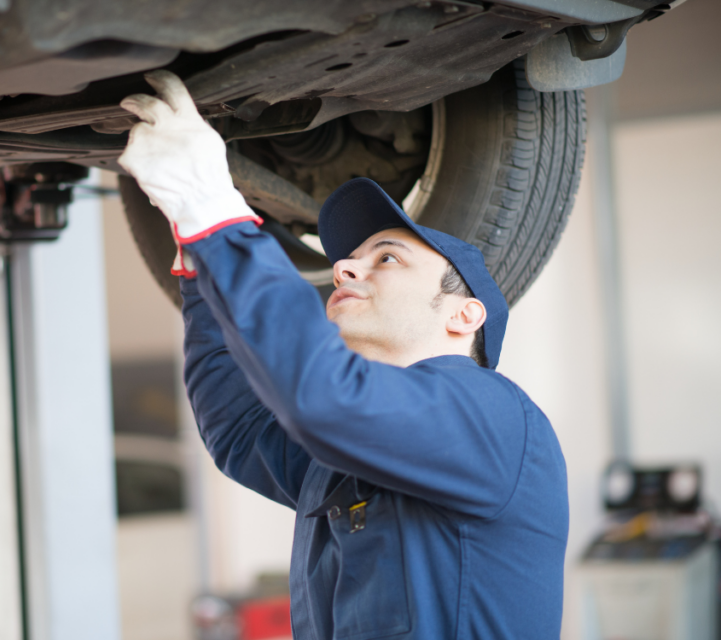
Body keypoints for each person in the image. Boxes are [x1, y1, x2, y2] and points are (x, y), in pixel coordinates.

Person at [118, 70, 568, 639]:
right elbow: (238, 427)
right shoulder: (353, 449)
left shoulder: (494, 417)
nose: (345, 268)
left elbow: (324, 396)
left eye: (387, 258)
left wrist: (215, 212)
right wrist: (196, 250)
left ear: (464, 315)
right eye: (351, 259)